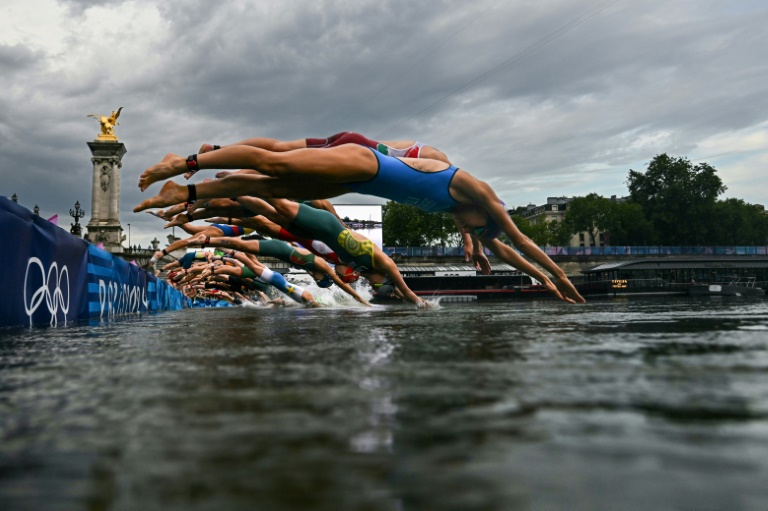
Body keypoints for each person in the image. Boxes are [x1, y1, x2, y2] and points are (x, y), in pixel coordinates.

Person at [135, 143, 585, 304]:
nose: (469, 231)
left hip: (360, 180)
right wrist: (561, 275)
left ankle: (188, 194)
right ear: (487, 213)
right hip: (364, 160)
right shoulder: (477, 191)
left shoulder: (465, 216)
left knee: (274, 184)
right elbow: (520, 238)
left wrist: (545, 284)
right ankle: (185, 164)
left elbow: (507, 249)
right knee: (274, 165)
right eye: (478, 230)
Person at [186, 233, 371, 306]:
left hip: (281, 276)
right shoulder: (321, 266)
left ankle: (214, 244)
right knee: (248, 260)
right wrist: (361, 299)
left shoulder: (316, 269)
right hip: (281, 261)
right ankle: (212, 242)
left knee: (250, 261)